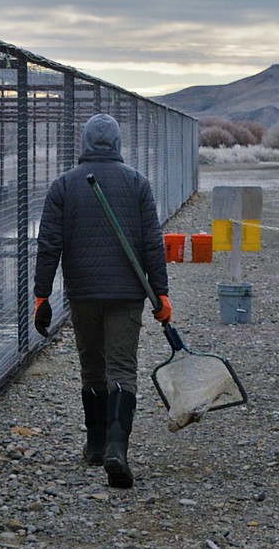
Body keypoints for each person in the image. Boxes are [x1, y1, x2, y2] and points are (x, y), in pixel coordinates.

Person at [33, 113, 173, 489]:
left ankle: (95, 444)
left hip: (83, 293)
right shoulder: (137, 183)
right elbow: (152, 245)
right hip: (129, 294)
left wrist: (41, 295)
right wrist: (161, 293)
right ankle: (117, 447)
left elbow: (48, 245)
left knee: (91, 366)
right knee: (122, 369)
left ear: (84, 144)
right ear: (116, 144)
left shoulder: (64, 185)